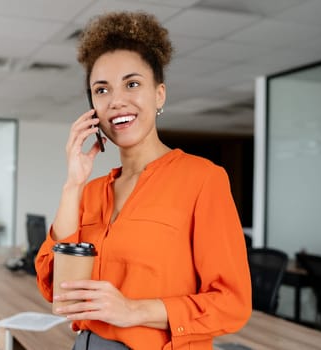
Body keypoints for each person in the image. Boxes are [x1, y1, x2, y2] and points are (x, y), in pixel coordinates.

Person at [34, 11, 252, 350]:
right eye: (101, 89)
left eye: (132, 84)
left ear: (159, 94)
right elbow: (53, 286)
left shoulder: (203, 179)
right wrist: (73, 184)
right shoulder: (91, 192)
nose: (117, 100)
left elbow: (231, 304)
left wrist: (134, 310)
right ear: (92, 106)